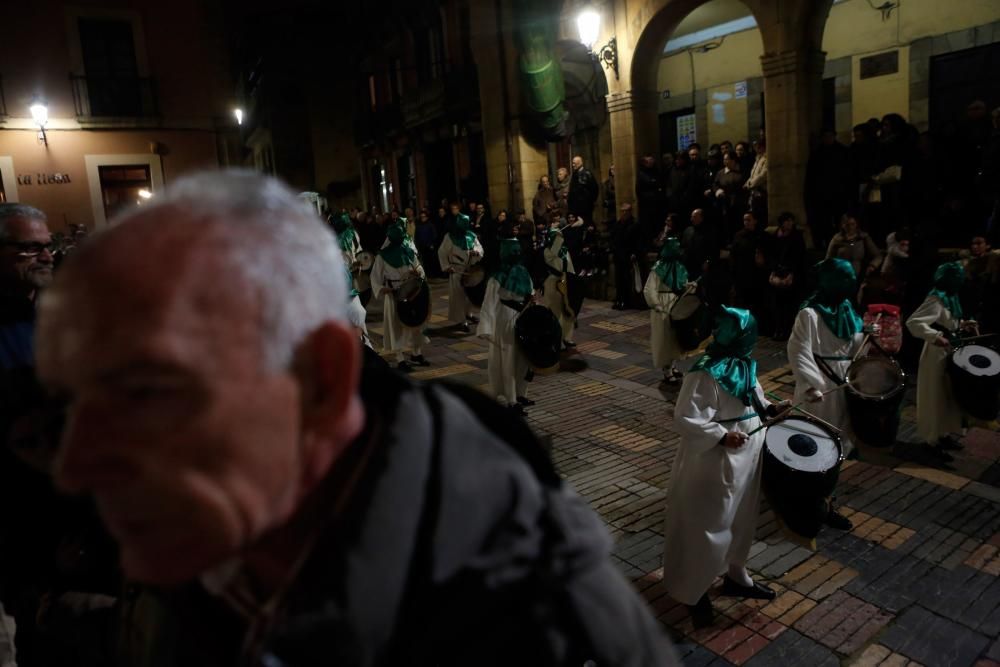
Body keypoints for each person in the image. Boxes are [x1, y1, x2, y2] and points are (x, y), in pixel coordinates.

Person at [35, 170, 676, 667]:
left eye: (147, 394)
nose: (74, 465)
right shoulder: (208, 532)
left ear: (320, 380)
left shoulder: (521, 596)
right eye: (82, 401)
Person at [662, 307, 782, 629]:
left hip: (747, 451)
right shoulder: (704, 370)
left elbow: (752, 394)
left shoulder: (743, 362)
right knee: (707, 524)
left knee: (742, 517)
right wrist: (720, 437)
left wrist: (770, 407)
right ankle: (693, 589)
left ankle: (736, 574)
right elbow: (685, 417)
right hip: (715, 459)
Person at [787, 258, 867, 530]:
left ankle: (825, 501)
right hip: (820, 389)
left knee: (839, 444)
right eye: (844, 278)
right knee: (814, 443)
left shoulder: (847, 310)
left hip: (844, 386)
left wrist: (867, 337)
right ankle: (804, 501)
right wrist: (811, 384)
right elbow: (798, 350)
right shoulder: (809, 314)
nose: (850, 284)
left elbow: (853, 347)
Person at [905, 261, 972, 461]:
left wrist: (963, 324)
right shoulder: (936, 298)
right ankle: (930, 440)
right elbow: (913, 322)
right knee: (934, 396)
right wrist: (935, 336)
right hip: (936, 353)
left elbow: (949, 321)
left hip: (950, 351)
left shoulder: (950, 297)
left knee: (947, 395)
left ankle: (944, 434)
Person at [477, 239, 535, 414]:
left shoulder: (523, 271)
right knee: (508, 358)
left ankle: (521, 392)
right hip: (505, 318)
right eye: (513, 250)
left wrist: (531, 299)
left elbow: (530, 291)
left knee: (525, 357)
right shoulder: (497, 276)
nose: (516, 253)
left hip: (523, 316)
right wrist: (486, 327)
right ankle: (511, 399)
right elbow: (489, 303)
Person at [371, 223, 429, 372]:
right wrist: (382, 288)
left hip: (413, 291)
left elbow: (419, 268)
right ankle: (400, 358)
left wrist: (419, 274)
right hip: (393, 294)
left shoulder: (409, 252)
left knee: (416, 323)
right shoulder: (382, 256)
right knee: (396, 326)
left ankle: (417, 353)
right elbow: (375, 277)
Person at [643, 238, 689, 384]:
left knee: (675, 338)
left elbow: (683, 284)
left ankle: (673, 365)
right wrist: (656, 304)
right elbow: (650, 288)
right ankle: (666, 369)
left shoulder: (679, 267)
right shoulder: (659, 268)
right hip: (663, 306)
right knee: (664, 339)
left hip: (675, 304)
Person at [438, 203, 484, 332]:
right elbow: (441, 252)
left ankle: (469, 314)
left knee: (469, 294)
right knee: (459, 296)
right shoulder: (449, 237)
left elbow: (479, 247)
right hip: (457, 270)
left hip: (469, 270)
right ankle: (461, 321)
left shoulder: (471, 236)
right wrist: (447, 267)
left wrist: (476, 252)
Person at [766, 212, 806, 341]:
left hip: (792, 274)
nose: (789, 224)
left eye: (791, 221)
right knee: (777, 304)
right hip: (778, 272)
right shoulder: (774, 237)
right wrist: (774, 270)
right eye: (787, 221)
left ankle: (789, 330)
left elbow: (800, 257)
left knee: (790, 305)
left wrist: (791, 273)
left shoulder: (797, 237)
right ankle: (779, 329)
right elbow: (771, 255)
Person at [541, 227, 577, 350]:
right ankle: (555, 338)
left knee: (567, 308)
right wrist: (556, 234)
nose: (559, 238)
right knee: (554, 310)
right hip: (553, 281)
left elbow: (570, 266)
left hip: (565, 279)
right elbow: (555, 249)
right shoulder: (548, 251)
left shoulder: (565, 251)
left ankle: (567, 336)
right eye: (556, 237)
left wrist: (572, 280)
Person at [826, 214, 882, 279]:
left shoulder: (863, 238)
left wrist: (872, 266)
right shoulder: (837, 239)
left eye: (853, 224)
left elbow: (878, 256)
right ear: (842, 226)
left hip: (859, 276)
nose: (850, 227)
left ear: (856, 224)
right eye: (847, 225)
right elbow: (828, 259)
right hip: (840, 276)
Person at [567, 155, 598, 223]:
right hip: (576, 206)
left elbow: (594, 189)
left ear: (580, 163)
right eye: (573, 163)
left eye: (574, 163)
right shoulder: (574, 174)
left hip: (586, 206)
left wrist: (590, 201)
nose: (573, 165)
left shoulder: (587, 174)